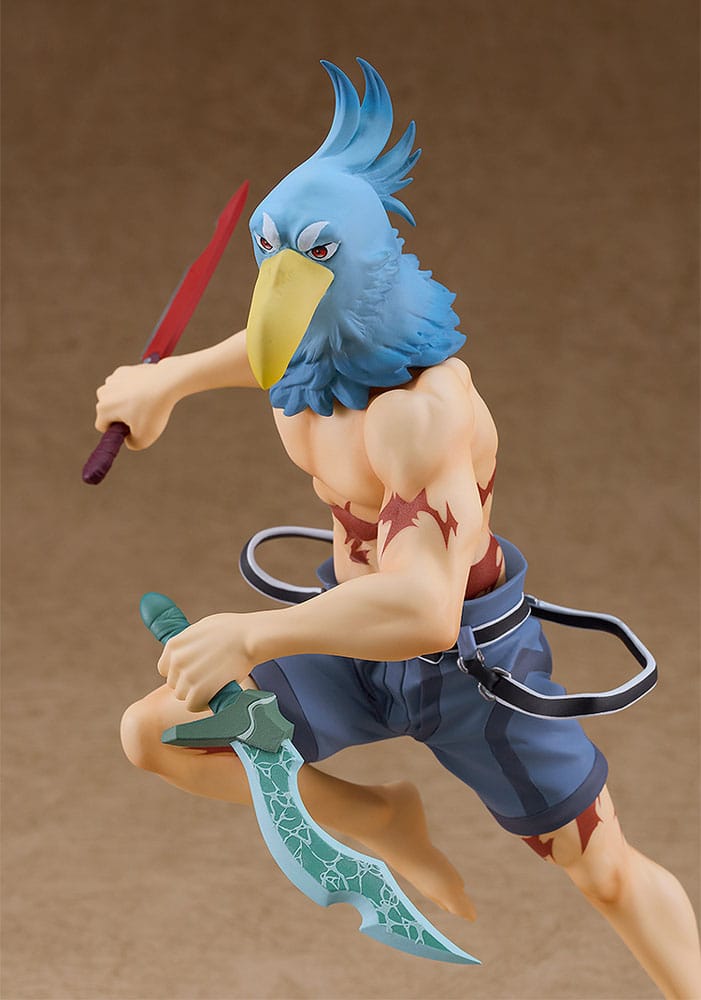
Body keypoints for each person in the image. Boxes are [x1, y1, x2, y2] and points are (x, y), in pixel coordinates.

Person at [96, 60, 701, 996]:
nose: (282, 281)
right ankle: (372, 815)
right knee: (160, 733)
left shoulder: (420, 413)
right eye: (268, 251)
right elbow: (270, 342)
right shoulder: (307, 345)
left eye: (313, 256)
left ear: (359, 264)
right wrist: (168, 382)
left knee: (604, 871)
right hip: (346, 640)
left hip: (467, 668)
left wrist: (250, 634)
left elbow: (423, 610)